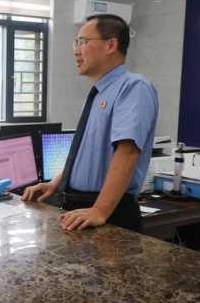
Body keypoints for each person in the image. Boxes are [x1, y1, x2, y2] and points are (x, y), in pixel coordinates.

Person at [22, 14, 158, 233]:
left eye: (83, 42)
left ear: (111, 44)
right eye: (76, 43)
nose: (76, 50)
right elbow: (88, 155)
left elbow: (128, 152)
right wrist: (57, 184)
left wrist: (100, 210)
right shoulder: (98, 94)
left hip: (109, 211)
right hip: (80, 207)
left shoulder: (134, 87)